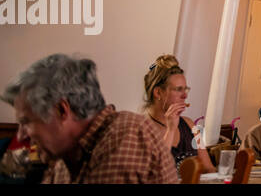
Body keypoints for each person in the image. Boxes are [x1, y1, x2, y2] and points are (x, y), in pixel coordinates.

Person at [2, 53, 178, 183]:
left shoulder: (127, 134)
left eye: (26, 122)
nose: (20, 136)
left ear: (62, 111)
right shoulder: (65, 158)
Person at [143, 54, 215, 173]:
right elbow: (153, 173)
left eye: (185, 89)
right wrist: (170, 130)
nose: (185, 95)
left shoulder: (190, 125)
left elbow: (209, 168)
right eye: (178, 89)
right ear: (158, 93)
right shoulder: (141, 129)